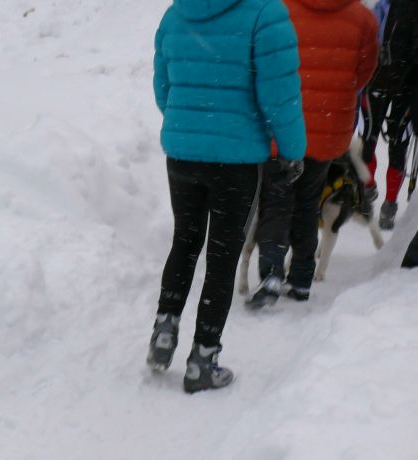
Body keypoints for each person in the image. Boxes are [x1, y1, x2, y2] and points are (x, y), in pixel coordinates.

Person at [149, 0, 306, 393]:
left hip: (182, 154)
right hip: (236, 160)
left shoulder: (176, 12)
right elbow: (279, 95)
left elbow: (163, 85)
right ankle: (203, 359)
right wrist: (292, 149)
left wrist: (188, 123)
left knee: (184, 241)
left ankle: (164, 333)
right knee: (222, 256)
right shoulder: (265, 14)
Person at [247, 0, 379, 308]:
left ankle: (271, 274)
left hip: (284, 121)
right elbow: (364, 73)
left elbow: (264, 62)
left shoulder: (279, 9)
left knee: (276, 202)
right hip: (330, 126)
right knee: (309, 203)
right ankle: (302, 279)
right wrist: (335, 95)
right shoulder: (362, 17)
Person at [361, 0, 418, 230]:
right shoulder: (384, 4)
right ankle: (381, 198)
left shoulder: (385, 5)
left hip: (385, 79)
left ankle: (377, 196)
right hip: (397, 81)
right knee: (390, 141)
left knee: (374, 138)